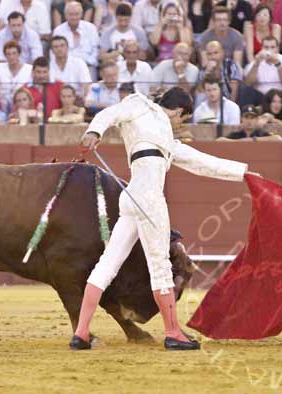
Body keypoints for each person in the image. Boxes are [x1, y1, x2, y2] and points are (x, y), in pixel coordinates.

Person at [71, 86, 257, 351]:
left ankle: (81, 332)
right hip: (148, 201)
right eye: (182, 119)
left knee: (107, 264)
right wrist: (94, 130)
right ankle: (173, 333)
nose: (180, 124)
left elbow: (200, 161)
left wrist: (243, 173)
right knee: (160, 267)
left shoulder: (163, 134)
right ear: (180, 111)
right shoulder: (140, 105)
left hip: (132, 196)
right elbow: (111, 113)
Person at [243, 36, 282, 107]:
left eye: (272, 47)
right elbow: (248, 83)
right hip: (261, 96)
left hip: (280, 96)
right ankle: (248, 116)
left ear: (277, 48)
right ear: (261, 48)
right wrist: (256, 64)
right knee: (247, 90)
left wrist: (278, 64)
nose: (269, 50)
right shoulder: (255, 62)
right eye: (266, 47)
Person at [52, 1, 99, 79]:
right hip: (65, 67)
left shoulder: (91, 28)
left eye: (76, 14)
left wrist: (86, 63)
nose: (74, 17)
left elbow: (96, 51)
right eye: (71, 14)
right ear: (65, 15)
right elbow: (54, 52)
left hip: (88, 65)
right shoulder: (58, 30)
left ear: (81, 14)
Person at [0, 40, 32, 113]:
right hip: (3, 105)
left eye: (14, 53)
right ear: (5, 56)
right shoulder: (0, 67)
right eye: (8, 54)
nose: (11, 57)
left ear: (19, 54)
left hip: (22, 105)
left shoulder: (29, 69)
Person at [49, 35, 92, 100]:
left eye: (62, 46)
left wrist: (85, 99)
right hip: (55, 100)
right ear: (52, 50)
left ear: (67, 47)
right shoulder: (48, 66)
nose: (59, 49)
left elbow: (86, 85)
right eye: (55, 47)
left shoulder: (79, 63)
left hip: (76, 100)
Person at [217, 105, 282, 141]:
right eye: (246, 117)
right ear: (241, 118)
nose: (249, 121)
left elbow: (278, 139)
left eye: (252, 118)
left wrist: (254, 139)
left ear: (257, 119)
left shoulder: (261, 134)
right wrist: (241, 141)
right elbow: (219, 140)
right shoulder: (236, 134)